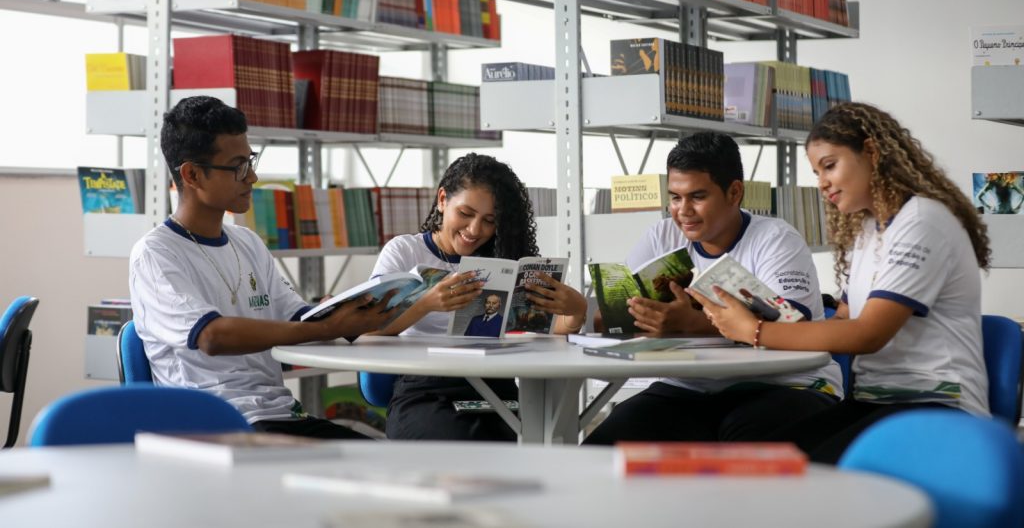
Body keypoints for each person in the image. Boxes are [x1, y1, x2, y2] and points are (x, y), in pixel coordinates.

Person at [693, 103, 990, 464]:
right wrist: (774, 319)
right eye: (817, 172)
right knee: (760, 463)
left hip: (935, 405)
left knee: (787, 475)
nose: (822, 183)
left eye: (830, 165)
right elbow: (842, 324)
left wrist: (753, 330)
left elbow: (867, 334)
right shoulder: (868, 230)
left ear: (871, 152)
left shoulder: (922, 221)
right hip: (875, 401)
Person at [129, 96, 397, 439]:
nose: (252, 177)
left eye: (251, 161)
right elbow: (212, 337)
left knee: (387, 459)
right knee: (374, 472)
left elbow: (296, 319)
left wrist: (342, 312)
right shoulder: (155, 254)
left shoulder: (247, 242)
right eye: (238, 166)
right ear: (192, 174)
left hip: (279, 416)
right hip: (216, 426)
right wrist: (325, 328)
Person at [584, 131, 843, 445]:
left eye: (698, 196)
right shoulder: (661, 236)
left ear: (734, 193)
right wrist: (585, 314)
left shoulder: (776, 239)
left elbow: (792, 324)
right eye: (675, 197)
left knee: (745, 444)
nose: (683, 211)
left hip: (783, 384)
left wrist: (693, 324)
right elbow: (616, 316)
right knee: (606, 445)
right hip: (689, 388)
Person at [370, 153, 588, 441]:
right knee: (470, 447)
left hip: (495, 384)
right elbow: (368, 327)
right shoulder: (404, 252)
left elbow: (543, 328)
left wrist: (576, 312)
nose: (475, 230)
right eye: (465, 213)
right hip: (426, 388)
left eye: (489, 220)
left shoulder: (503, 259)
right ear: (442, 199)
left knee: (547, 439)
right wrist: (426, 303)